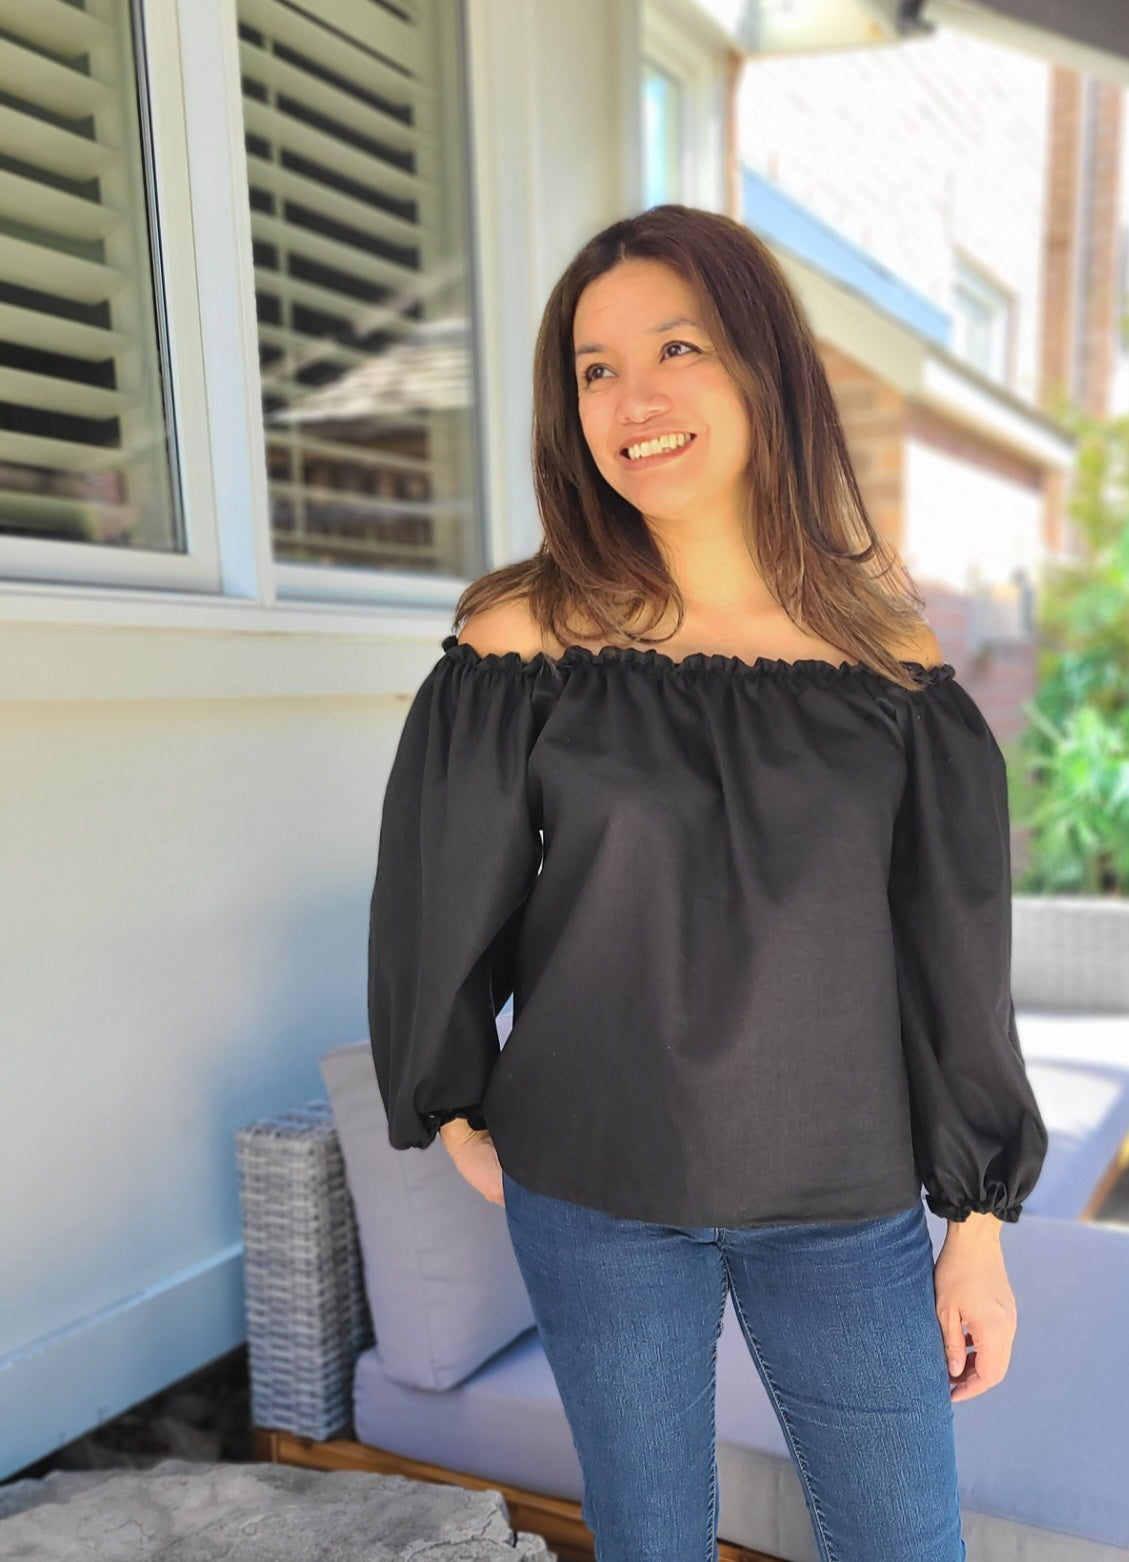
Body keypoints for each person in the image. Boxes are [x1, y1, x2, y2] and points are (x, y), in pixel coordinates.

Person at [366, 205, 1048, 1562]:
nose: (635, 399)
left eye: (677, 347)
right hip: (594, 1188)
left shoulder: (887, 663)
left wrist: (973, 1225)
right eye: (595, 368)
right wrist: (453, 1105)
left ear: (761, 366)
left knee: (906, 1541)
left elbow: (951, 952)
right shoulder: (521, 640)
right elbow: (443, 894)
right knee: (649, 1537)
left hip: (840, 1195)